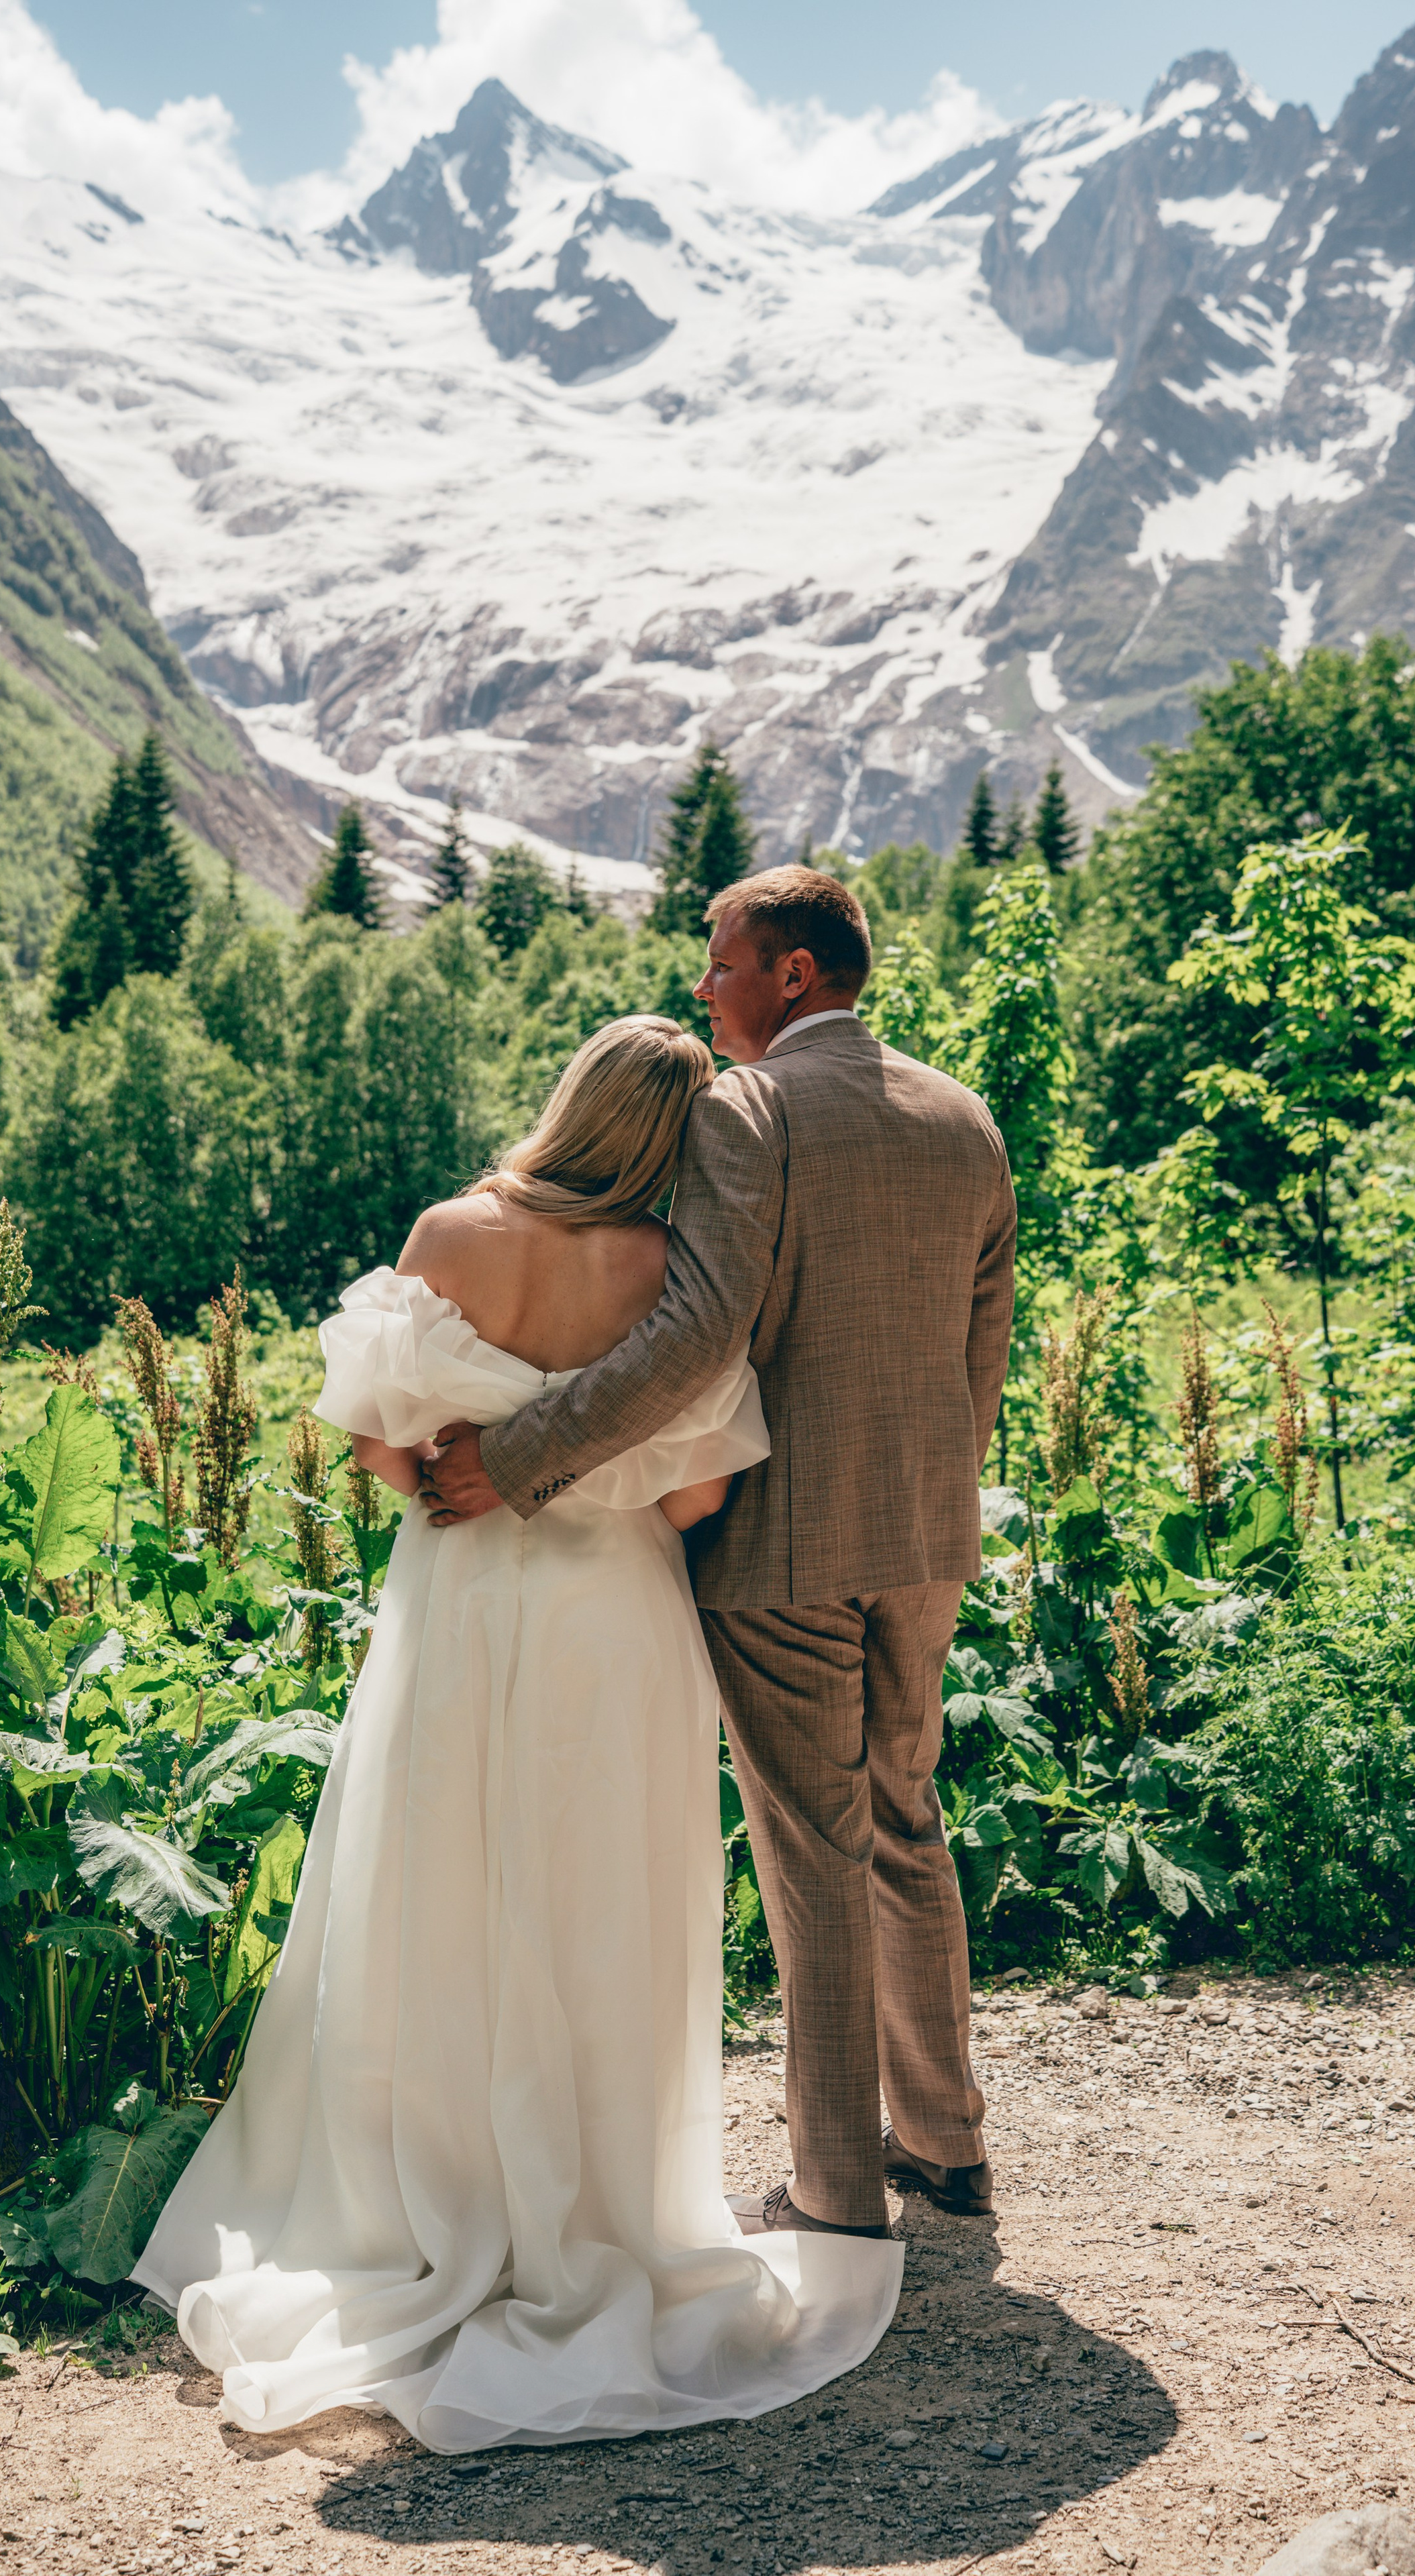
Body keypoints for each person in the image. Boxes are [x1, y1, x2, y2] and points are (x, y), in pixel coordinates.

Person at [132, 1013, 904, 2449]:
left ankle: (432, 2196)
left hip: (462, 1614)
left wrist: (463, 1441)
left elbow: (376, 1444)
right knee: (596, 1909)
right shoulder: (667, 1271)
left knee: (440, 1891)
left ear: (568, 1103)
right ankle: (599, 2205)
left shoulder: (451, 1230)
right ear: (675, 1144)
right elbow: (690, 1500)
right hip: (616, 1629)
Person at [421, 867, 1016, 2239]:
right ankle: (945, 2146)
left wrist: (513, 1458)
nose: (704, 986)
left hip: (784, 1541)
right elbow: (978, 1351)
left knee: (812, 1847)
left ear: (791, 973)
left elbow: (692, 1340)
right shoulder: (961, 1117)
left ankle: (835, 2192)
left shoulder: (747, 1112)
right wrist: (934, 1494)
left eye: (720, 960)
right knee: (904, 1819)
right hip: (925, 1534)